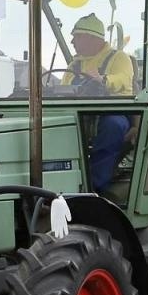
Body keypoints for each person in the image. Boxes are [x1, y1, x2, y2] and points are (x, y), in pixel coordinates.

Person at [61, 14, 135, 191]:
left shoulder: (119, 58)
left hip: (112, 112)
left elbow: (124, 79)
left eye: (77, 36)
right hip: (79, 115)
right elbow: (63, 90)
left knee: (114, 126)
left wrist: (103, 80)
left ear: (91, 38)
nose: (72, 41)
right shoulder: (74, 65)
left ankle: (94, 187)